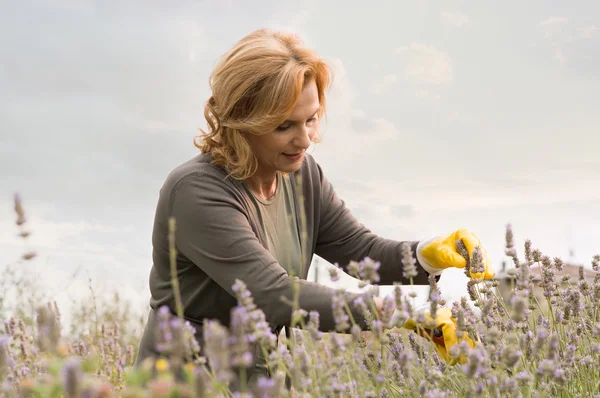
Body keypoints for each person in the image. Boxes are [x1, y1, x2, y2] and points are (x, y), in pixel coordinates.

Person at [135, 28, 494, 385]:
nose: (305, 139)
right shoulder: (196, 192)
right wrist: (402, 314)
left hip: (260, 380)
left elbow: (361, 251)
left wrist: (429, 255)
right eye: (284, 126)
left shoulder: (301, 174)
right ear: (242, 124)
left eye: (311, 118)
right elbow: (275, 295)